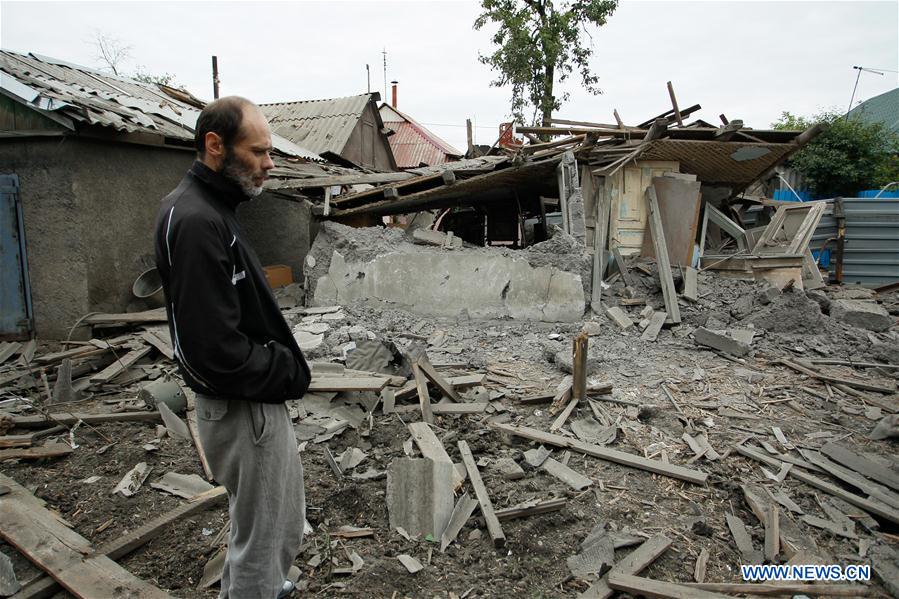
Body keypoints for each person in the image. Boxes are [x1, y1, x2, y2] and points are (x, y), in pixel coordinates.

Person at [154, 96, 310, 599]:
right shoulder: (198, 221)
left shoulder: (211, 208)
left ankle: (262, 588)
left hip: (250, 403)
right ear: (215, 145)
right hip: (244, 408)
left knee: (274, 523)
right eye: (259, 152)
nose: (269, 164)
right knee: (263, 538)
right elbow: (214, 350)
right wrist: (285, 369)